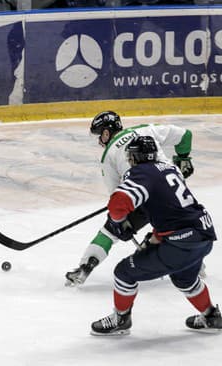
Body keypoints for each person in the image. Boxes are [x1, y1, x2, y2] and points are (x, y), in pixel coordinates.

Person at [91, 135, 220, 335]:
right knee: (185, 279)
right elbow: (172, 209)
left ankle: (121, 319)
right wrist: (156, 236)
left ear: (135, 157)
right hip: (204, 234)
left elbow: (117, 205)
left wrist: (118, 224)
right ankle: (212, 316)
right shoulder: (170, 168)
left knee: (124, 273)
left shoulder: (140, 173)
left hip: (181, 243)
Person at [65, 111, 195, 286]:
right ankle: (194, 264)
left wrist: (120, 222)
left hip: (141, 199)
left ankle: (85, 267)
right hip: (173, 192)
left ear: (106, 133)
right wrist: (183, 158)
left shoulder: (108, 155)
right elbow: (185, 135)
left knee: (110, 231)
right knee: (180, 227)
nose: (99, 141)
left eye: (99, 135)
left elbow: (117, 199)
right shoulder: (144, 130)